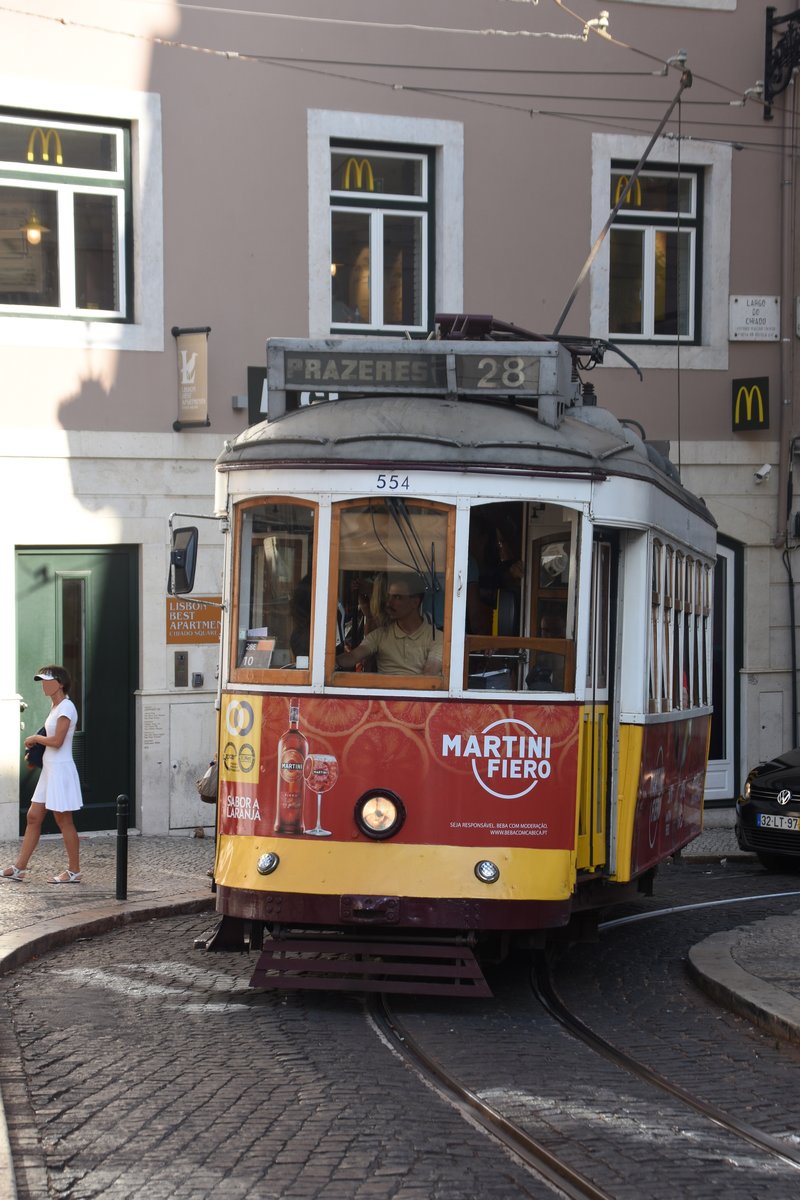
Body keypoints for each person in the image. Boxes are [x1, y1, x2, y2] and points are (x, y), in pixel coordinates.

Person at [1, 666, 83, 884]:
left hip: (61, 770)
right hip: (50, 770)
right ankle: (20, 868)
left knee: (63, 820)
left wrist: (35, 739)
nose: (43, 685)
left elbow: (57, 742)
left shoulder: (66, 707)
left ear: (60, 683)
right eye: (41, 681)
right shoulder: (55, 707)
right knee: (33, 816)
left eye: (47, 681)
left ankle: (74, 871)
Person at [335, 572, 441, 675]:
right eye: (389, 597)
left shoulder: (436, 637)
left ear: (415, 602)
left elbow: (430, 674)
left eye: (397, 597)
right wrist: (330, 662)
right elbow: (353, 656)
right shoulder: (380, 635)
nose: (389, 603)